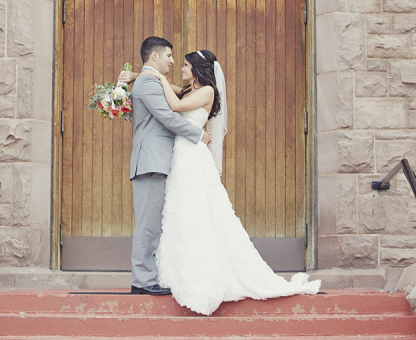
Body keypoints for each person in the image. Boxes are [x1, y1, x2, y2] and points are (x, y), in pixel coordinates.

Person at [146, 49, 321, 316]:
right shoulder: (188, 90)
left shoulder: (207, 91)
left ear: (197, 68)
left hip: (193, 159)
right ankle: (182, 269)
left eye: (184, 65)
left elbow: (176, 107)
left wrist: (157, 77)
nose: (180, 68)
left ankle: (205, 275)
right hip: (181, 157)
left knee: (197, 211)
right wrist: (142, 75)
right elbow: (175, 97)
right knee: (181, 211)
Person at [129, 36, 211, 296]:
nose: (173, 62)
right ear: (155, 56)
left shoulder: (151, 80)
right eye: (169, 56)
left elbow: (177, 95)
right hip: (151, 161)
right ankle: (142, 280)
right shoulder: (149, 82)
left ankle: (148, 276)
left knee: (154, 223)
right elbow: (167, 116)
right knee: (147, 225)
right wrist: (198, 135)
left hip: (158, 160)